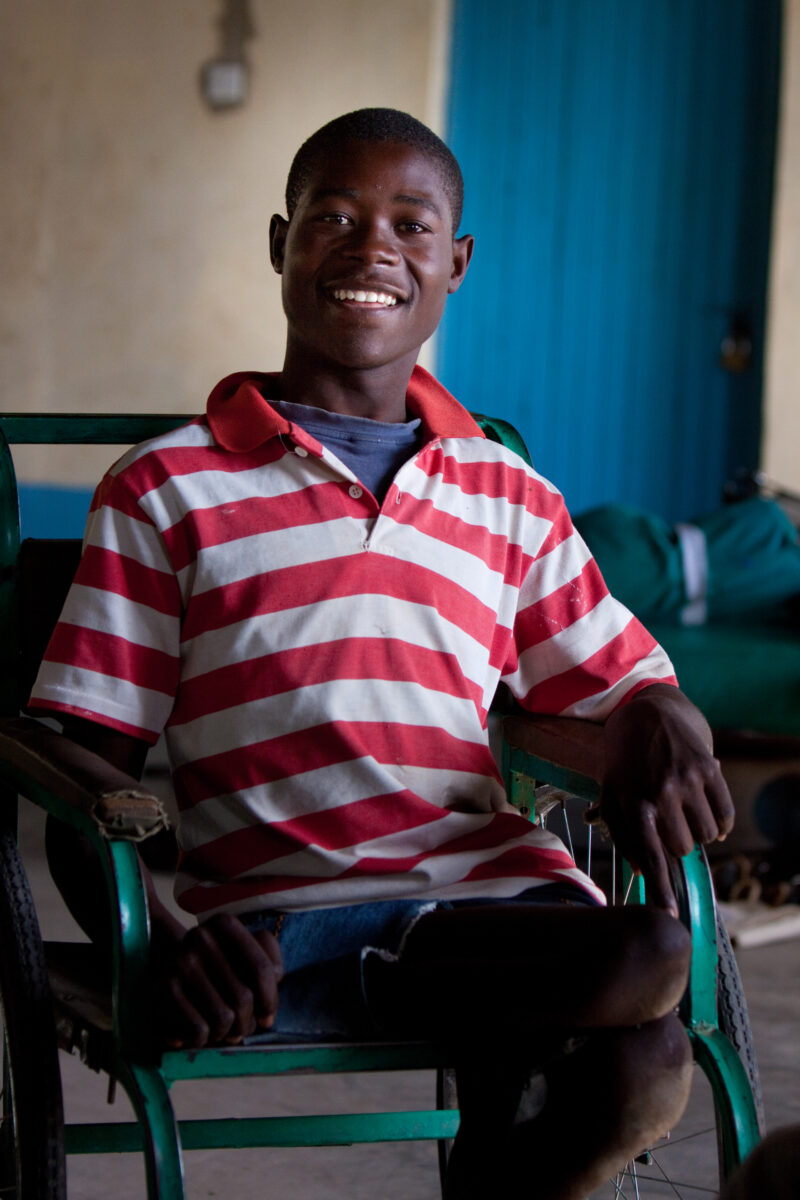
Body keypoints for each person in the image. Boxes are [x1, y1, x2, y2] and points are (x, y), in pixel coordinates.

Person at [32, 108, 734, 1199]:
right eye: (334, 218)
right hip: (287, 913)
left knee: (647, 1022)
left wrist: (661, 721)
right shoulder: (168, 485)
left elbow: (624, 682)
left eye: (410, 226)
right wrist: (159, 936)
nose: (371, 249)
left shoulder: (503, 492)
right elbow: (76, 752)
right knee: (640, 975)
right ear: (281, 246)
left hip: (494, 900)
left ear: (453, 265)